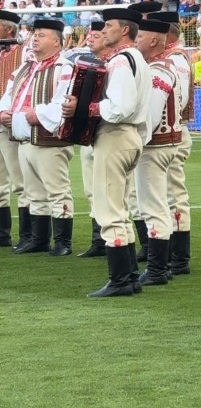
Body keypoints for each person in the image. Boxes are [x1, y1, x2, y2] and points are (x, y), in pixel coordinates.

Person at [62, 7, 151, 298]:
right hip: (129, 137)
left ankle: (120, 279)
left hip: (115, 136)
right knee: (120, 209)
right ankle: (129, 277)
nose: (104, 30)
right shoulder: (135, 58)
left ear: (124, 30)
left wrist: (85, 108)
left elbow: (120, 107)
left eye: (109, 25)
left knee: (109, 210)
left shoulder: (121, 62)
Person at [0, 18, 74, 256]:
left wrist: (30, 114)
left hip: (49, 138)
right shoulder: (26, 67)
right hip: (24, 137)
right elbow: (10, 94)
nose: (35, 38)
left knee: (57, 189)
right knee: (33, 192)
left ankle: (63, 241)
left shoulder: (64, 68)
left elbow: (61, 103)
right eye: (35, 34)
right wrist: (4, 111)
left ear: (56, 41)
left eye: (41, 35)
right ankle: (39, 239)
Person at [134, 17, 182, 286]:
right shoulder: (160, 67)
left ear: (154, 40)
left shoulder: (157, 71)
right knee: (156, 204)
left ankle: (157, 269)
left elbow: (149, 117)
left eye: (140, 36)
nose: (136, 40)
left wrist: (134, 143)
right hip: (164, 142)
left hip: (156, 145)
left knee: (153, 206)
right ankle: (160, 267)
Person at [149, 11, 193, 276]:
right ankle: (170, 253)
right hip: (170, 130)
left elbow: (178, 99)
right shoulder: (171, 58)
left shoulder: (176, 60)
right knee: (166, 193)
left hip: (172, 131)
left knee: (173, 194)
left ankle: (179, 256)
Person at [77, 20, 112, 258]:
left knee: (113, 191)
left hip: (108, 133)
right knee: (91, 189)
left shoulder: (117, 65)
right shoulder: (86, 63)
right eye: (90, 35)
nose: (91, 39)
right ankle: (98, 240)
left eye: (97, 35)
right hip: (89, 134)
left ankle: (116, 240)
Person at [0, 10, 29, 250]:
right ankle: (2, 234)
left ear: (9, 29)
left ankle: (29, 235)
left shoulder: (23, 52)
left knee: (20, 181)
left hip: (10, 121)